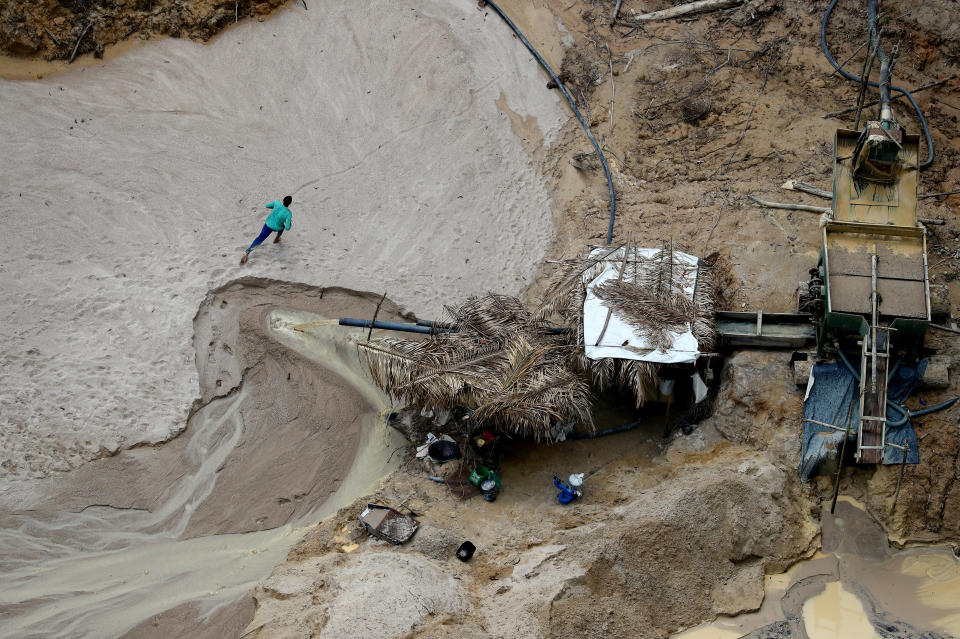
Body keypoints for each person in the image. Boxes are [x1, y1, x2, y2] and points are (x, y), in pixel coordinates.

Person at [240, 196, 293, 264]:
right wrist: (290, 223)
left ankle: (246, 253)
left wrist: (274, 208)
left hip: (268, 225)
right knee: (282, 227)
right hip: (277, 227)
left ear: (283, 200)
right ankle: (276, 239)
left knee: (260, 238)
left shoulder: (277, 203)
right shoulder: (288, 213)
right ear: (290, 203)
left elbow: (267, 206)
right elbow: (287, 228)